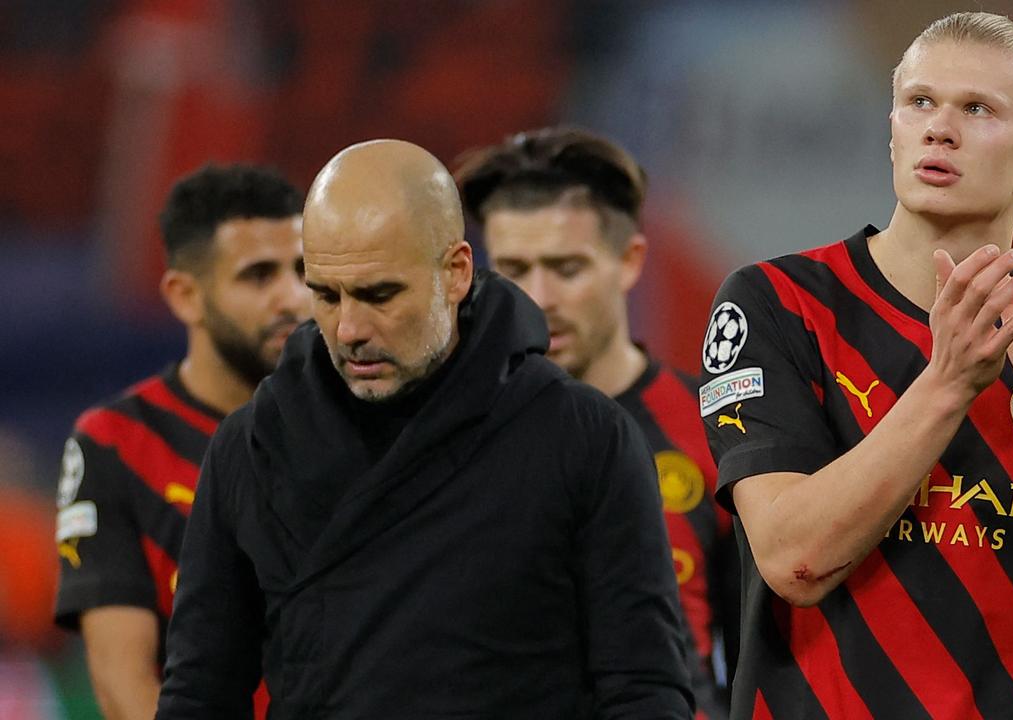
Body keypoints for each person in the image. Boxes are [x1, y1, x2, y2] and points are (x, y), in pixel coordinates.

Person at [699, 12, 1013, 720]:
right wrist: (950, 382)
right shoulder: (778, 305)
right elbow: (793, 560)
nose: (939, 128)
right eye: (919, 102)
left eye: (978, 109)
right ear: (892, 126)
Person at [156, 139, 693, 719]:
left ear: (457, 272)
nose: (350, 329)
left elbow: (643, 689)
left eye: (379, 294)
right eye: (326, 296)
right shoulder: (251, 446)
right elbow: (199, 695)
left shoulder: (584, 437)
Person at [454, 126, 736, 719]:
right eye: (513, 268)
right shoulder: (445, 437)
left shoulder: (715, 431)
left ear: (629, 261)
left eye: (566, 267)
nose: (538, 297)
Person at [53, 163, 310, 720]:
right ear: (185, 296)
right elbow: (124, 685)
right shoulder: (115, 444)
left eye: (303, 270)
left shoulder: (355, 420)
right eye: (259, 275)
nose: (293, 297)